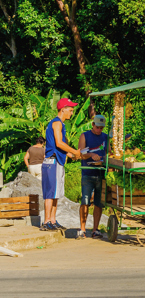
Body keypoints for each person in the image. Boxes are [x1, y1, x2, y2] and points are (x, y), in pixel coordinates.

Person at [41, 98, 81, 231]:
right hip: (52, 162)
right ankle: (46, 221)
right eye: (70, 110)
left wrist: (71, 155)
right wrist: (75, 151)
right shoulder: (57, 123)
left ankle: (53, 220)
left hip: (57, 160)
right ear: (63, 109)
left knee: (56, 193)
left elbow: (56, 146)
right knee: (50, 193)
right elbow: (59, 143)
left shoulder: (60, 124)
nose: (72, 112)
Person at [78, 115, 110, 239]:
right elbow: (80, 153)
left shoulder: (105, 137)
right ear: (93, 125)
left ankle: (95, 229)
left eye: (101, 128)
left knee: (99, 203)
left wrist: (103, 160)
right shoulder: (85, 135)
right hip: (87, 173)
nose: (99, 130)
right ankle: (82, 229)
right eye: (97, 127)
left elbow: (109, 153)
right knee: (85, 201)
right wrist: (91, 154)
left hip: (101, 173)